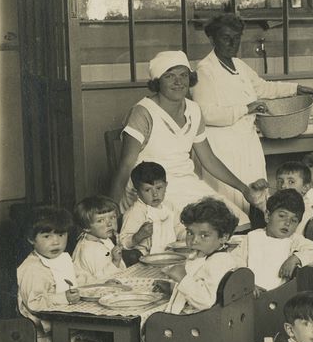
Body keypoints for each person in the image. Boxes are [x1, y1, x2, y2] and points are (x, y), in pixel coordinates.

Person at [108, 51, 264, 226]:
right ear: (157, 82)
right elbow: (126, 165)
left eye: (183, 75)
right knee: (198, 226)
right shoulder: (143, 112)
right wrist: (111, 210)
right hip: (153, 188)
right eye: (169, 76)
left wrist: (243, 189)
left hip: (187, 183)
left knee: (235, 219)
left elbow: (209, 160)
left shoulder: (194, 110)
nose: (178, 82)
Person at [192, 13, 313, 215]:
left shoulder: (238, 65)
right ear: (212, 39)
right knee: (229, 206)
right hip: (223, 149)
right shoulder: (205, 71)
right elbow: (204, 114)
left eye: (237, 37)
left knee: (255, 200)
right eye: (226, 37)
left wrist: (296, 89)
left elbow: (263, 88)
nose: (232, 42)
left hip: (247, 145)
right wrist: (247, 108)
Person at [16, 206, 107, 342]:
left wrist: (103, 283)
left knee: (101, 339)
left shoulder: (63, 258)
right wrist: (63, 297)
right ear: (32, 239)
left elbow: (79, 278)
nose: (56, 241)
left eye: (61, 234)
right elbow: (35, 303)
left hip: (65, 327)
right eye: (46, 236)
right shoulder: (33, 269)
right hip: (41, 337)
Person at [154, 198, 239, 315]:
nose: (194, 240)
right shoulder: (200, 255)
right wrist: (171, 287)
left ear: (223, 237)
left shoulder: (220, 261)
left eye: (204, 235)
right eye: (190, 233)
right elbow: (198, 284)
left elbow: (207, 301)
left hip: (200, 325)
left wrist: (182, 278)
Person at [231, 190, 313, 292]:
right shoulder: (252, 237)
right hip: (250, 292)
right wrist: (247, 284)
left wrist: (295, 258)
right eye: (282, 216)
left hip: (278, 297)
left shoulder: (293, 240)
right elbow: (236, 262)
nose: (287, 223)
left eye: (294, 220)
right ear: (267, 216)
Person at [118, 162, 184, 255]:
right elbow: (122, 242)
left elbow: (178, 228)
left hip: (170, 254)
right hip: (144, 257)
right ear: (137, 192)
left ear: (166, 185)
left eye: (159, 188)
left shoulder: (169, 207)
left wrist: (187, 236)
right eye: (148, 190)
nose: (155, 194)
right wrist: (137, 237)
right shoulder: (136, 212)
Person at [72, 195, 124, 285]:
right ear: (86, 227)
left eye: (113, 217)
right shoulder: (89, 250)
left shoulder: (104, 239)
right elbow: (101, 281)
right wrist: (115, 262)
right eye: (100, 220)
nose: (109, 223)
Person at [274, 160, 313, 227]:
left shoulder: (306, 212)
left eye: (291, 182)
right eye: (280, 181)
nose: (283, 186)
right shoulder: (276, 204)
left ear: (305, 188)